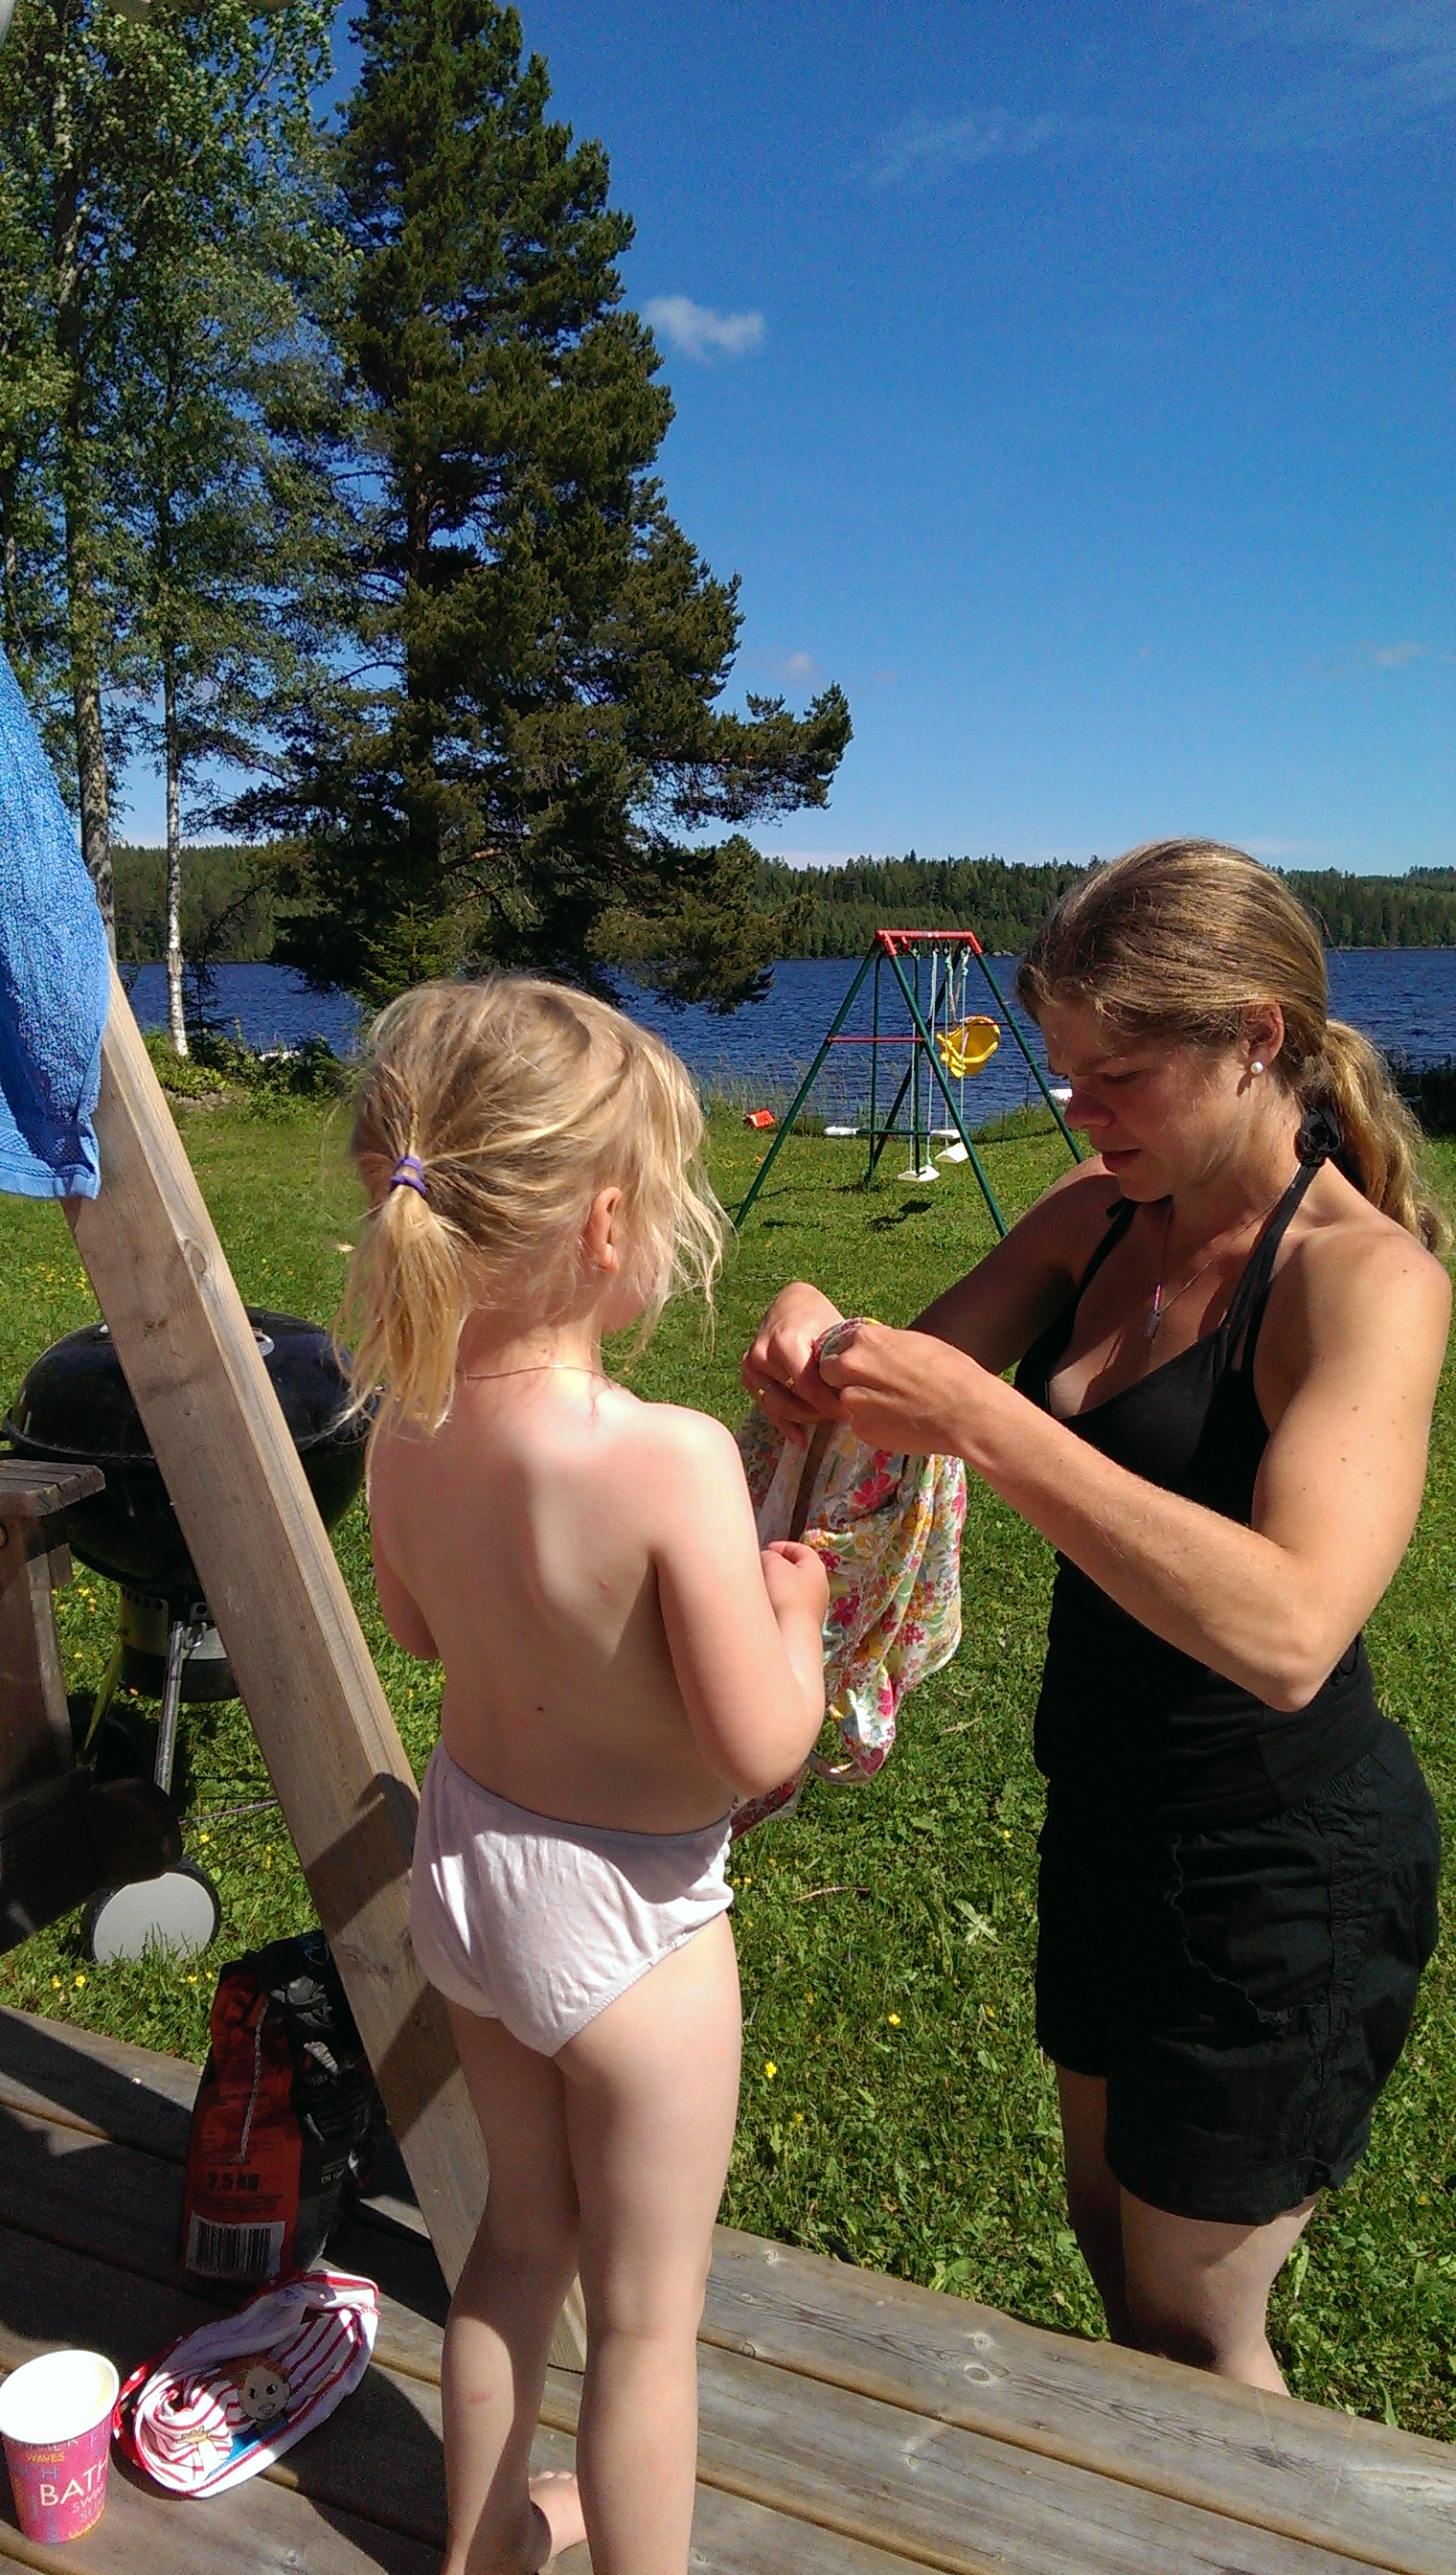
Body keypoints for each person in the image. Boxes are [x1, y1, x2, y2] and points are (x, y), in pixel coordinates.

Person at [744, 841, 1447, 2395]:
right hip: (1108, 1817)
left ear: (1255, 1037)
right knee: (1107, 2244)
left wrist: (992, 1427)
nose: (1080, 1109)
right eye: (1067, 1071)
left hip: (1278, 1865)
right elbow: (888, 1386)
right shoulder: (1099, 1211)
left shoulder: (1364, 1280)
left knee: (1195, 2330)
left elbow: (1292, 1631)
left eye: (1117, 1076)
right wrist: (815, 1329)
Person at [345, 977, 828, 2575]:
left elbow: (419, 1628)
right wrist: (798, 1612)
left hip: (471, 1879)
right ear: (606, 1228)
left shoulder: (401, 1429)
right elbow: (760, 1746)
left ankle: (481, 2550)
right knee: (642, 2323)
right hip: (635, 1924)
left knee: (513, 2248)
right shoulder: (670, 1458)